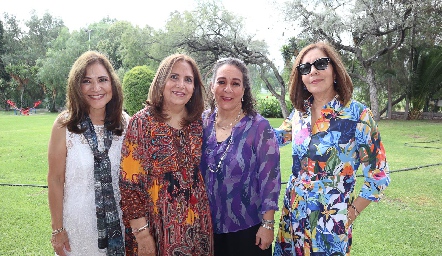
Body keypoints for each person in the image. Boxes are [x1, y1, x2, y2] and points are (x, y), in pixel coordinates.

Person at [273, 41, 391, 255]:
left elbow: (379, 176)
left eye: (320, 64)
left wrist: (350, 214)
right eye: (305, 68)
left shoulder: (358, 116)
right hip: (292, 222)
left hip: (330, 225)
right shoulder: (299, 113)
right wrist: (235, 119)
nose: (313, 71)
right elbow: (274, 138)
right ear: (300, 78)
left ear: (335, 70)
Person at [119, 53, 214, 256]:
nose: (181, 85)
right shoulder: (141, 123)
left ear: (194, 88)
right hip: (154, 229)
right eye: (174, 77)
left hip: (197, 228)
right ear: (161, 80)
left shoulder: (200, 123)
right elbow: (129, 185)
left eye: (188, 80)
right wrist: (142, 235)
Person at [47, 51, 130, 255]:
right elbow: (55, 180)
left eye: (102, 80)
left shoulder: (125, 123)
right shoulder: (64, 125)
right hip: (77, 230)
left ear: (112, 84)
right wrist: (57, 230)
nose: (96, 88)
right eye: (87, 81)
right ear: (77, 86)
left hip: (119, 227)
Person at [200, 57, 281, 255]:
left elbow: (270, 180)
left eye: (235, 83)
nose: (228, 89)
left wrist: (268, 225)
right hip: (205, 229)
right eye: (221, 82)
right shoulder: (201, 122)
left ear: (244, 90)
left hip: (247, 231)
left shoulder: (259, 127)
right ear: (212, 87)